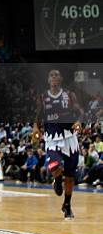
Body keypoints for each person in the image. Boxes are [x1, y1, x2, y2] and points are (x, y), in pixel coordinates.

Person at [33, 69, 83, 219]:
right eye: (51, 75)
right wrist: (35, 127)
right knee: (54, 164)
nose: (54, 77)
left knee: (70, 176)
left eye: (56, 75)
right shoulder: (42, 97)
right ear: (48, 80)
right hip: (52, 138)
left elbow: (80, 111)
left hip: (70, 137)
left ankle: (67, 205)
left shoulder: (70, 95)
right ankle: (57, 179)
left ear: (60, 79)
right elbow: (38, 115)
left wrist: (79, 121)